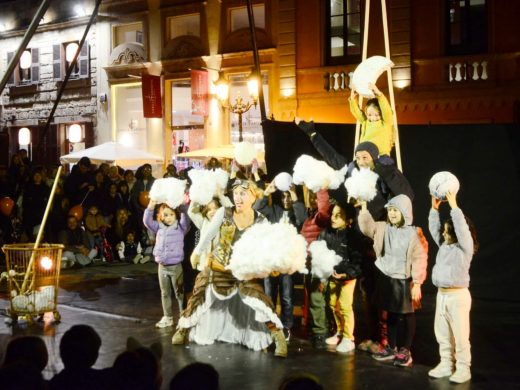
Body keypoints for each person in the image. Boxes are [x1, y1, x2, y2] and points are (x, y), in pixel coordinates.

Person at [172, 179, 287, 358]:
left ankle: (278, 336)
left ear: (253, 196)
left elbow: (266, 246)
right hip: (219, 266)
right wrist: (197, 251)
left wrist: (272, 264)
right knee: (200, 290)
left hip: (243, 271)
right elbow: (209, 233)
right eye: (235, 193)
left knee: (259, 299)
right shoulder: (223, 213)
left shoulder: (261, 220)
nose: (238, 198)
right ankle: (183, 328)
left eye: (243, 193)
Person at [358, 194, 428, 367]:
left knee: (408, 314)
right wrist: (364, 209)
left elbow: (420, 257)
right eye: (390, 211)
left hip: (404, 279)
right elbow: (368, 228)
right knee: (390, 313)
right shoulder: (383, 227)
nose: (393, 214)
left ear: (405, 212)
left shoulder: (413, 233)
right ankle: (391, 347)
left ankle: (406, 349)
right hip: (387, 276)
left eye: (396, 210)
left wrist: (418, 283)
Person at [297, 119, 413, 221]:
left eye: (365, 158)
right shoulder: (354, 170)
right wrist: (312, 134)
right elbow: (332, 157)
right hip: (360, 224)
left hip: (382, 225)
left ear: (373, 157)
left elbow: (406, 194)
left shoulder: (387, 171)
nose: (361, 162)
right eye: (358, 158)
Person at [428, 191, 478, 384]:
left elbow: (462, 230)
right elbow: (434, 229)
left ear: (456, 234)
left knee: (460, 334)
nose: (444, 233)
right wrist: (434, 209)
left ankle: (464, 368)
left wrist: (454, 206)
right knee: (442, 333)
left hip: (458, 297)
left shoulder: (464, 248)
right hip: (442, 296)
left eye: (448, 231)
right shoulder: (444, 246)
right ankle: (446, 363)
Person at [255, 181, 307, 341]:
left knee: (287, 297)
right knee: (269, 296)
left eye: (288, 196)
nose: (286, 199)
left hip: (287, 262)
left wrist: (295, 197)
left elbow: (302, 219)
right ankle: (270, 327)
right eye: (283, 196)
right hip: (271, 260)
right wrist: (266, 192)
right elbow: (257, 208)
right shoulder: (274, 211)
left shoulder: (295, 211)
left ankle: (286, 327)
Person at [318, 201, 364, 353]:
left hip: (347, 279)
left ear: (348, 220)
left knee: (345, 306)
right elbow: (320, 253)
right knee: (332, 305)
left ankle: (348, 337)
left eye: (338, 216)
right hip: (332, 277)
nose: (333, 218)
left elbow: (358, 262)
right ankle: (339, 332)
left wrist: (347, 274)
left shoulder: (354, 237)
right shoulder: (326, 233)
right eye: (333, 214)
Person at [143, 200, 190, 328]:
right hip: (162, 266)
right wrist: (151, 205)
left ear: (176, 215)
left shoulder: (181, 228)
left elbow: (186, 217)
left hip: (176, 267)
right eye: (165, 215)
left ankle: (183, 316)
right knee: (165, 293)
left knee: (179, 293)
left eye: (171, 214)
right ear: (161, 216)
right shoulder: (158, 227)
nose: (168, 218)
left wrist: (182, 205)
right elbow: (147, 221)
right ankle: (168, 317)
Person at [300, 187, 330, 349]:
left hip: (320, 262)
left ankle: (321, 332)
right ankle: (318, 328)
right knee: (313, 297)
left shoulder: (321, 216)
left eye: (315, 198)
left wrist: (321, 189)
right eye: (310, 197)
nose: (312, 200)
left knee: (317, 297)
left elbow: (324, 209)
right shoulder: (310, 217)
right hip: (310, 262)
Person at [349, 82, 394, 156]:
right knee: (352, 166)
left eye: (377, 115)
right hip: (365, 155)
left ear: (382, 114)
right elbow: (356, 112)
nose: (373, 118)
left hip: (381, 155)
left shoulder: (386, 122)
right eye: (369, 115)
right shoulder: (365, 121)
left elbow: (387, 110)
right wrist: (353, 99)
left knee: (382, 166)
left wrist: (379, 94)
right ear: (366, 113)